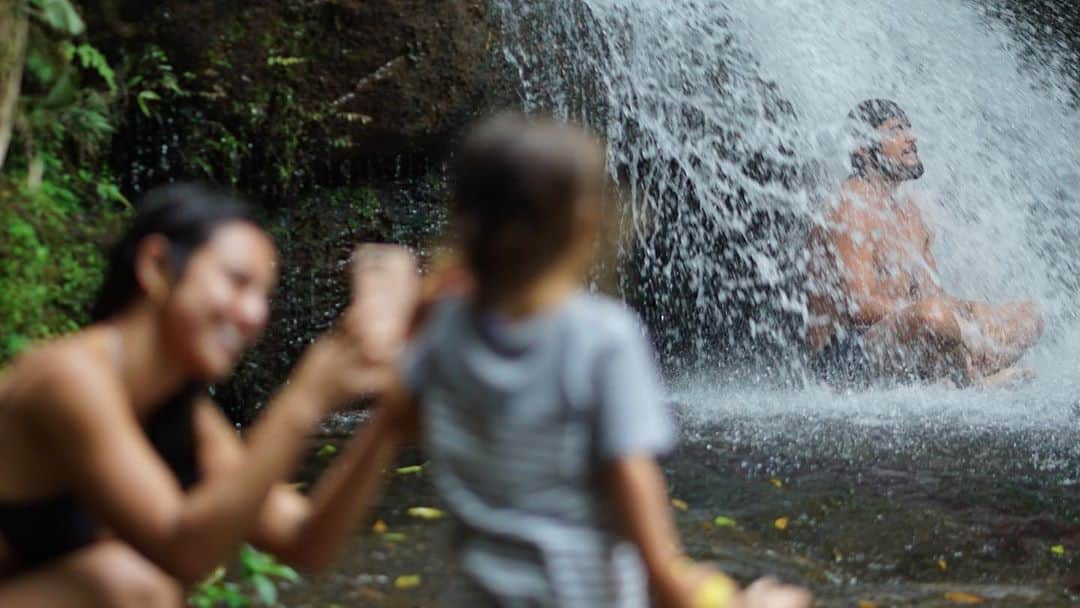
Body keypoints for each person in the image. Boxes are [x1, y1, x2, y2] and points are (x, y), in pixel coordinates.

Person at [378, 114, 811, 608]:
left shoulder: (444, 330)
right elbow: (656, 563)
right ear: (585, 224)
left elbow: (402, 418)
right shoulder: (601, 338)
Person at [0, 182, 418, 607]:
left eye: (263, 296)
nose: (255, 314)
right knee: (133, 583)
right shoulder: (70, 377)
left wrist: (391, 413)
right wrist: (305, 400)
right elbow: (184, 552)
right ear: (157, 266)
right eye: (237, 282)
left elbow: (304, 540)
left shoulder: (184, 414)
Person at [805, 99, 1044, 388]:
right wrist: (947, 314)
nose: (912, 138)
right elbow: (860, 307)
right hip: (844, 358)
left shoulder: (911, 214)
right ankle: (970, 382)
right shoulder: (850, 206)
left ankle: (966, 375)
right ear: (863, 149)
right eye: (896, 131)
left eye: (908, 128)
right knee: (934, 316)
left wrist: (967, 310)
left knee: (1027, 316)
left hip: (903, 342)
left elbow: (930, 292)